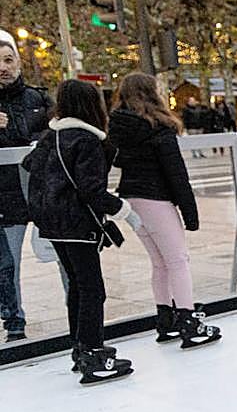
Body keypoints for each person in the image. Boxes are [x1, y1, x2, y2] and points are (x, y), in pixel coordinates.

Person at [21, 80, 140, 384]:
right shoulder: (86, 140)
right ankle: (93, 353)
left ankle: (80, 349)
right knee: (92, 289)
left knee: (76, 284)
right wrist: (124, 211)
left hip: (51, 224)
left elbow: (28, 162)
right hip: (76, 224)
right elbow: (92, 190)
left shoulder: (51, 137)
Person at [108, 72, 221, 349]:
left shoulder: (119, 126)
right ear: (151, 93)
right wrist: (190, 213)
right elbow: (176, 174)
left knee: (160, 262)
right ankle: (189, 322)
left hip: (132, 200)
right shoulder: (158, 127)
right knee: (178, 261)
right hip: (156, 199)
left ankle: (166, 320)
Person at [0, 34, 51, 342]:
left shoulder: (38, 98)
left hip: (44, 193)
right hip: (5, 199)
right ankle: (14, 322)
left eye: (8, 60)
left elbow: (53, 133)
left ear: (19, 63)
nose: (3, 68)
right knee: (8, 266)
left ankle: (79, 317)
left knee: (62, 256)